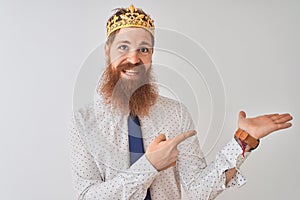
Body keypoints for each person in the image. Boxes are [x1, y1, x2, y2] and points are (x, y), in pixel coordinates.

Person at [69, 5, 293, 200]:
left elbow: (198, 192)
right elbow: (87, 196)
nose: (134, 58)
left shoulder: (175, 113)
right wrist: (149, 166)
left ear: (152, 55)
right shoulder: (83, 123)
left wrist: (244, 141)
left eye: (143, 49)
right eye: (123, 47)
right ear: (108, 51)